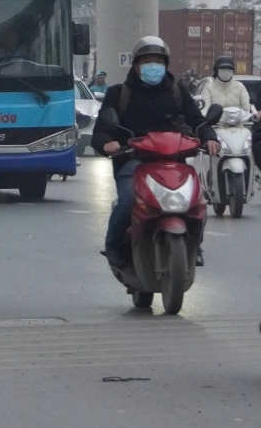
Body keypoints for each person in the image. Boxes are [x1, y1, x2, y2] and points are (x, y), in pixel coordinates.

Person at [93, 36, 218, 269]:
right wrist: (108, 143)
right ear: (136, 65)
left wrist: (209, 138)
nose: (153, 66)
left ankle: (195, 244)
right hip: (134, 162)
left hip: (175, 163)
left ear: (166, 64)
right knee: (129, 200)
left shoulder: (178, 92)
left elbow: (199, 122)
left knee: (197, 201)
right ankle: (115, 246)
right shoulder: (118, 94)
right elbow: (101, 132)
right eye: (147, 61)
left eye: (158, 61)